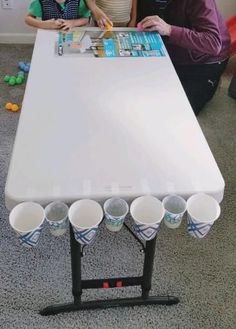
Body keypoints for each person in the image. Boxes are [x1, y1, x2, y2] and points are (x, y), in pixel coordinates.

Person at [137, 0, 231, 115]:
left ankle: (212, 81)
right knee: (141, 93)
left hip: (206, 60)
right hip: (174, 48)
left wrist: (169, 29)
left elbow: (213, 43)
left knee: (175, 112)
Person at [25, 0, 91, 30]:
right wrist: (45, 24)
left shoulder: (79, 1)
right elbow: (28, 19)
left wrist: (73, 23)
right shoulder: (40, 1)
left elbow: (86, 19)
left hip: (72, 34)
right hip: (48, 35)